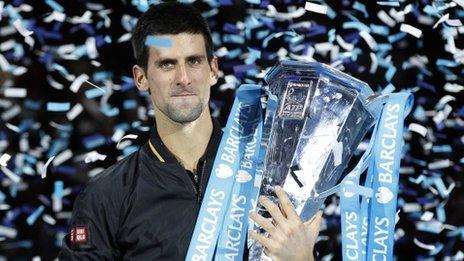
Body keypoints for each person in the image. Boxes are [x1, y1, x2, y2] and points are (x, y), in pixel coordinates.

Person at [59, 2, 322, 260]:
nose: (183, 78)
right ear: (141, 78)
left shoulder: (273, 179)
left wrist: (302, 258)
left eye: (194, 61)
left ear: (213, 70)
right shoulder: (106, 195)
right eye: (167, 64)